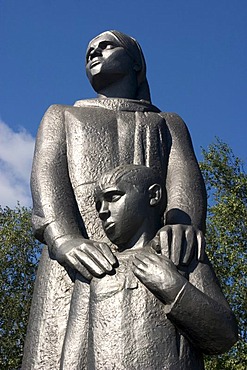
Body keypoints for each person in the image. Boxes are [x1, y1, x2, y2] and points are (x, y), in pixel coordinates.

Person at [23, 31, 208, 369]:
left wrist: (182, 224)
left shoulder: (167, 123)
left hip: (147, 259)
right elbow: (47, 179)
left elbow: (184, 176)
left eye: (106, 45)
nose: (94, 52)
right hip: (76, 258)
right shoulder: (62, 115)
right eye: (89, 50)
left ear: (136, 62)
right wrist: (64, 239)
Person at [61, 164, 237, 369]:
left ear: (153, 195)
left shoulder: (180, 254)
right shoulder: (95, 266)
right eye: (98, 204)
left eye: (113, 197)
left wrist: (172, 286)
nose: (103, 211)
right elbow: (75, 352)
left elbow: (224, 335)